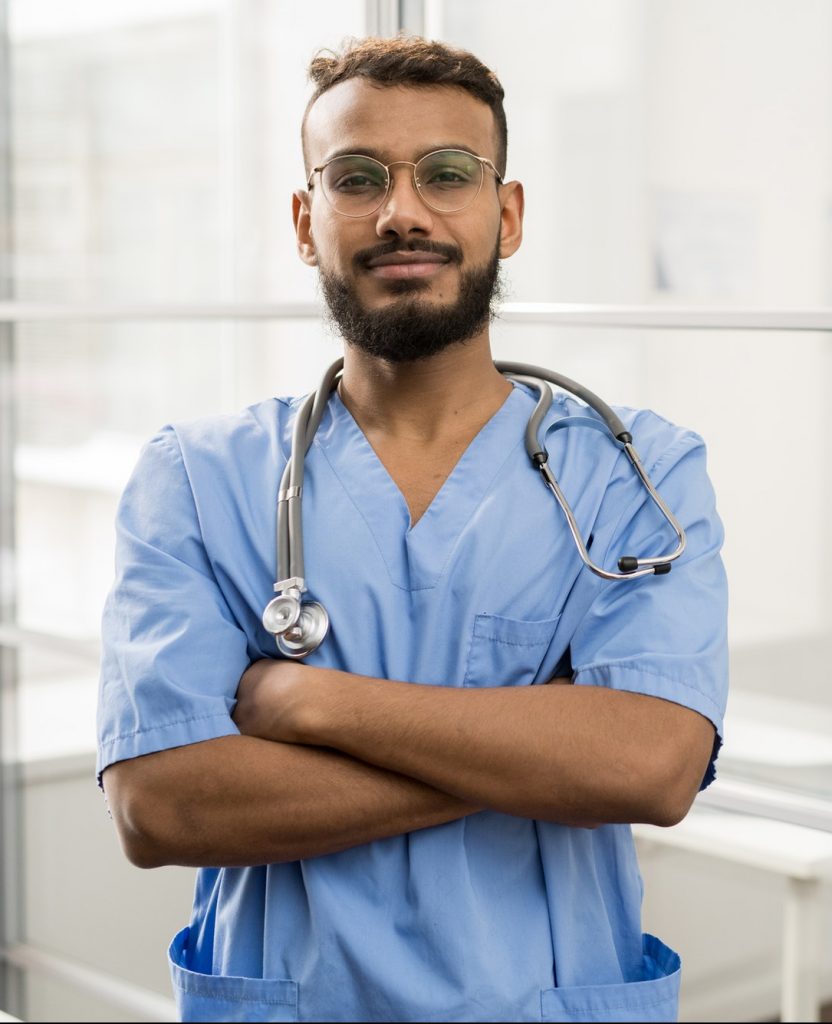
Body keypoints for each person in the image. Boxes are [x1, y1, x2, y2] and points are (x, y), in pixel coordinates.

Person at [97, 35, 728, 1024]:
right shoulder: (198, 477)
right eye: (357, 178)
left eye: (446, 173)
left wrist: (308, 703)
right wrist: (541, 748)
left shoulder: (635, 470)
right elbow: (162, 806)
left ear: (505, 215)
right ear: (306, 224)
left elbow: (650, 765)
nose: (403, 212)